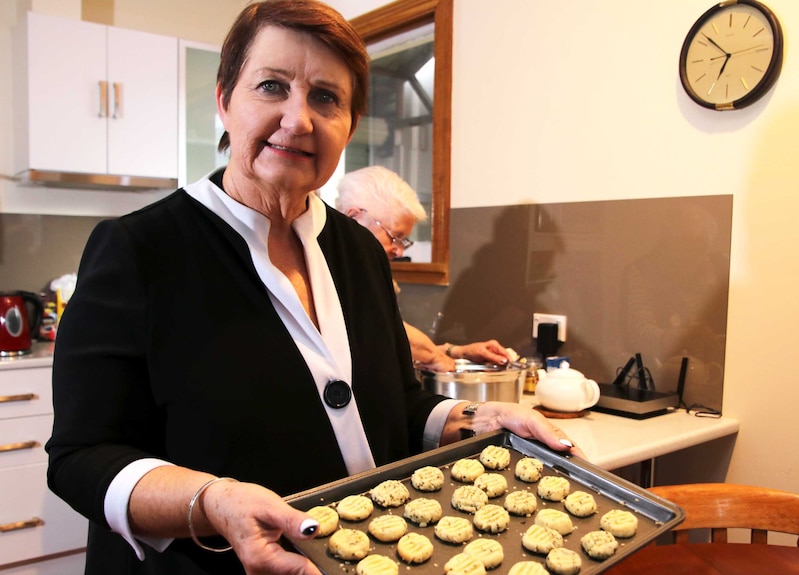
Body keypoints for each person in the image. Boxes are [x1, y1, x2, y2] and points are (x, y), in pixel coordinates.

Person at [44, 2, 585, 574]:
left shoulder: (358, 250)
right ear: (225, 101)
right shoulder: (141, 250)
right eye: (272, 86)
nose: (299, 119)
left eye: (326, 98)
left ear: (348, 125)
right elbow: (80, 458)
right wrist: (213, 501)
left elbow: (397, 407)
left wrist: (480, 421)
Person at [335, 166, 511, 372]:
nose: (399, 251)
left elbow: (395, 345)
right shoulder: (327, 270)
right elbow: (380, 332)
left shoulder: (375, 275)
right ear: (354, 217)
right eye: (395, 237)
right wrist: (433, 355)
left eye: (403, 241)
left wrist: (456, 352)